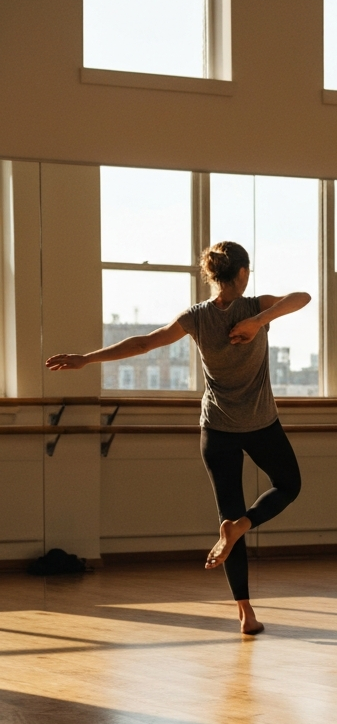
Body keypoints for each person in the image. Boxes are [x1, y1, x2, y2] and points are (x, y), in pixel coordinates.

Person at [46, 241, 309, 636]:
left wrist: (87, 359)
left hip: (216, 429)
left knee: (229, 516)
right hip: (257, 424)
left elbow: (144, 343)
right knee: (288, 485)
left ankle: (246, 613)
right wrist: (259, 320)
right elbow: (301, 297)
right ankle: (244, 527)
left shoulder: (197, 316)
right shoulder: (254, 306)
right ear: (241, 274)